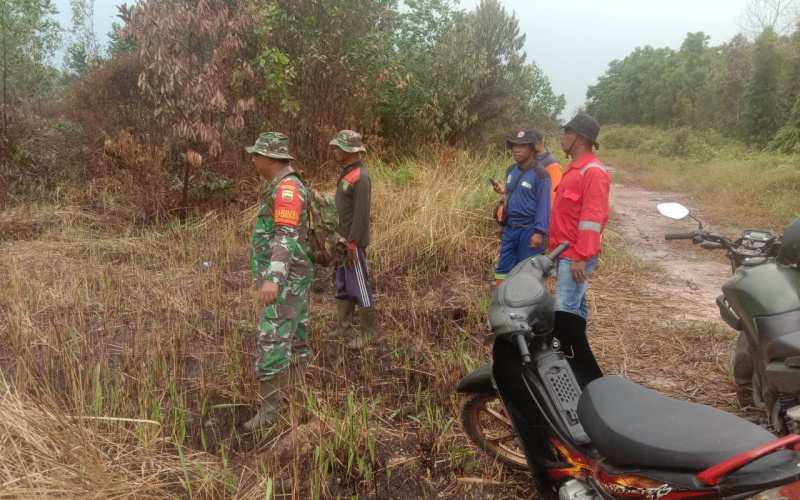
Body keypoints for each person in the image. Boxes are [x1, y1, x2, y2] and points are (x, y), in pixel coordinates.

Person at [243, 132, 314, 431]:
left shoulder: (287, 188)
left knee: (272, 340)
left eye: (257, 154)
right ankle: (296, 398)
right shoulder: (285, 184)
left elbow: (286, 235)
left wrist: (273, 278)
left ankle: (272, 411)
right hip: (294, 276)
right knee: (295, 337)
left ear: (271, 157)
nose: (253, 159)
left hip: (286, 280)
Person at [549, 114, 610, 323]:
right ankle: (579, 345)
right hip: (565, 251)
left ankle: (566, 346)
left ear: (582, 139)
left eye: (568, 132)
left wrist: (580, 257)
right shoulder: (574, 169)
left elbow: (592, 219)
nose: (562, 136)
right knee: (576, 308)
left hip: (575, 254)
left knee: (565, 311)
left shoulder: (593, 172)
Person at [329, 130, 377, 349]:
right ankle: (344, 327)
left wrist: (352, 245)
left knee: (359, 285)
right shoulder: (347, 172)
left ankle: (368, 333)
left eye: (338, 148)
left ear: (348, 151)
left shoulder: (361, 177)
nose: (334, 151)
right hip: (342, 241)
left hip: (352, 243)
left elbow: (361, 215)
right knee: (343, 284)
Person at [492, 129, 552, 286]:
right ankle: (503, 297)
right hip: (510, 228)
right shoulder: (511, 170)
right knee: (503, 268)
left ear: (532, 149)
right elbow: (509, 199)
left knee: (528, 271)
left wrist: (539, 232)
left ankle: (525, 299)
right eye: (514, 146)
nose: (516, 150)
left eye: (522, 146)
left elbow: (544, 206)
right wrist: (502, 225)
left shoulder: (541, 174)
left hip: (529, 229)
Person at [531, 130, 563, 208]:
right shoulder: (531, 160)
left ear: (536, 144)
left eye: (525, 145)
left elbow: (554, 195)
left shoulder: (552, 163)